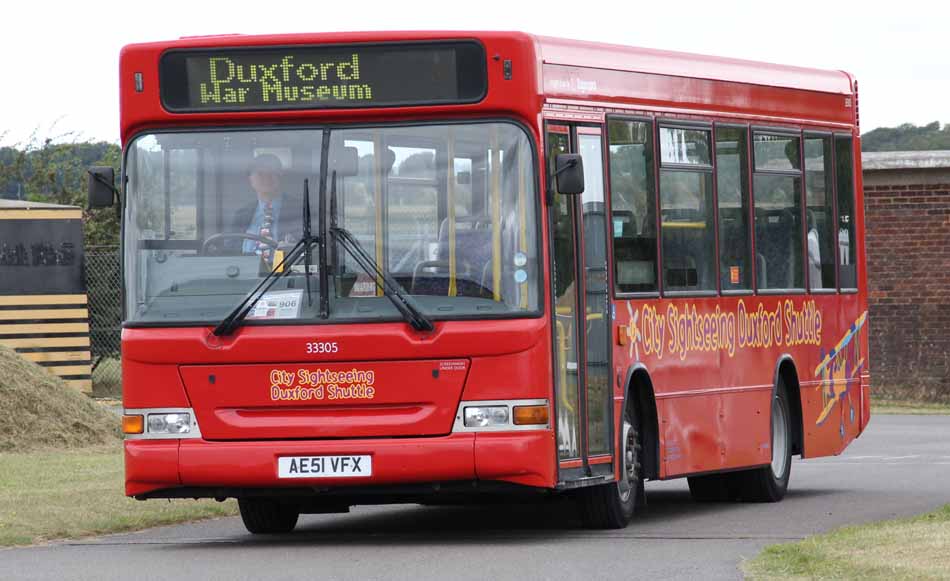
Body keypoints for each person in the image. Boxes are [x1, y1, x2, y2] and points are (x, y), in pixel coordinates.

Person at [231, 154, 302, 259]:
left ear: (280, 176)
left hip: (287, 273)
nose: (266, 177)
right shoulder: (241, 215)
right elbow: (230, 250)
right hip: (246, 274)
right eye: (260, 173)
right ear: (250, 179)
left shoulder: (300, 210)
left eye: (272, 172)